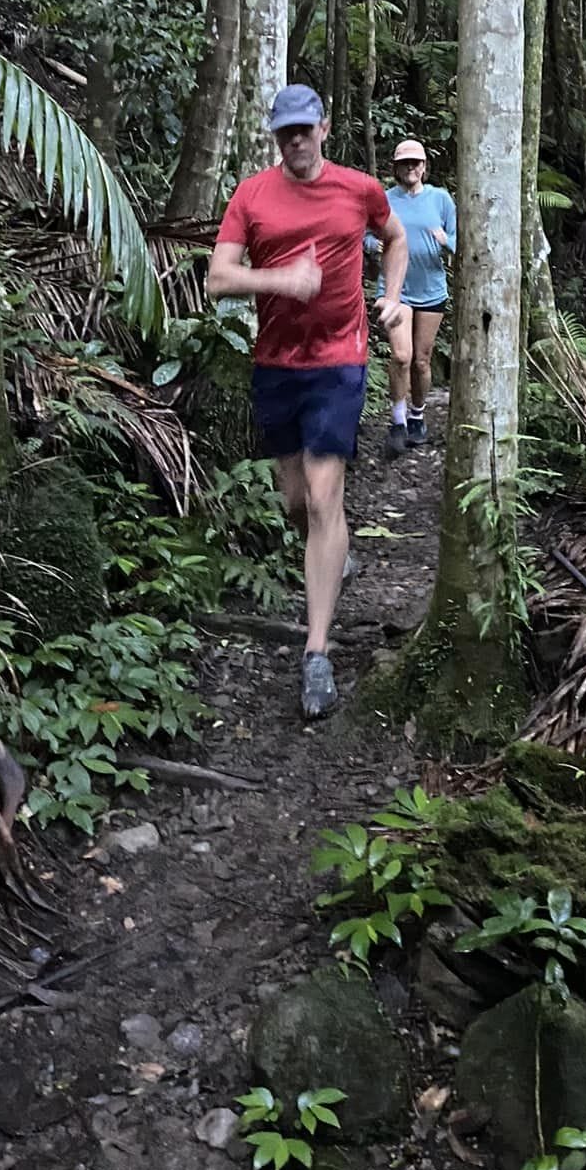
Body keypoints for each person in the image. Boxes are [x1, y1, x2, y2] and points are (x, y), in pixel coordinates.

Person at [206, 85, 408, 719]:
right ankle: (334, 554)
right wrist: (281, 281)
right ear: (276, 137)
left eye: (304, 128)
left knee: (324, 497)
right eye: (284, 132)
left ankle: (315, 652)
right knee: (296, 502)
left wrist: (394, 296)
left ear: (324, 126)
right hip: (276, 365)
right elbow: (218, 278)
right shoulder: (253, 196)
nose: (295, 140)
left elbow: (396, 239)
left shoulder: (359, 189)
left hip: (340, 361)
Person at [370, 138, 456, 459]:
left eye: (416, 162)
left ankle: (417, 414)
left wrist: (446, 240)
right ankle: (397, 422)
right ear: (396, 167)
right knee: (401, 356)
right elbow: (366, 232)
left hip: (431, 289)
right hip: (395, 290)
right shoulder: (384, 200)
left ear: (424, 167)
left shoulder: (441, 199)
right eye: (405, 163)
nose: (411, 168)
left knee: (421, 360)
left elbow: (461, 242)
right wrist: (371, 245)